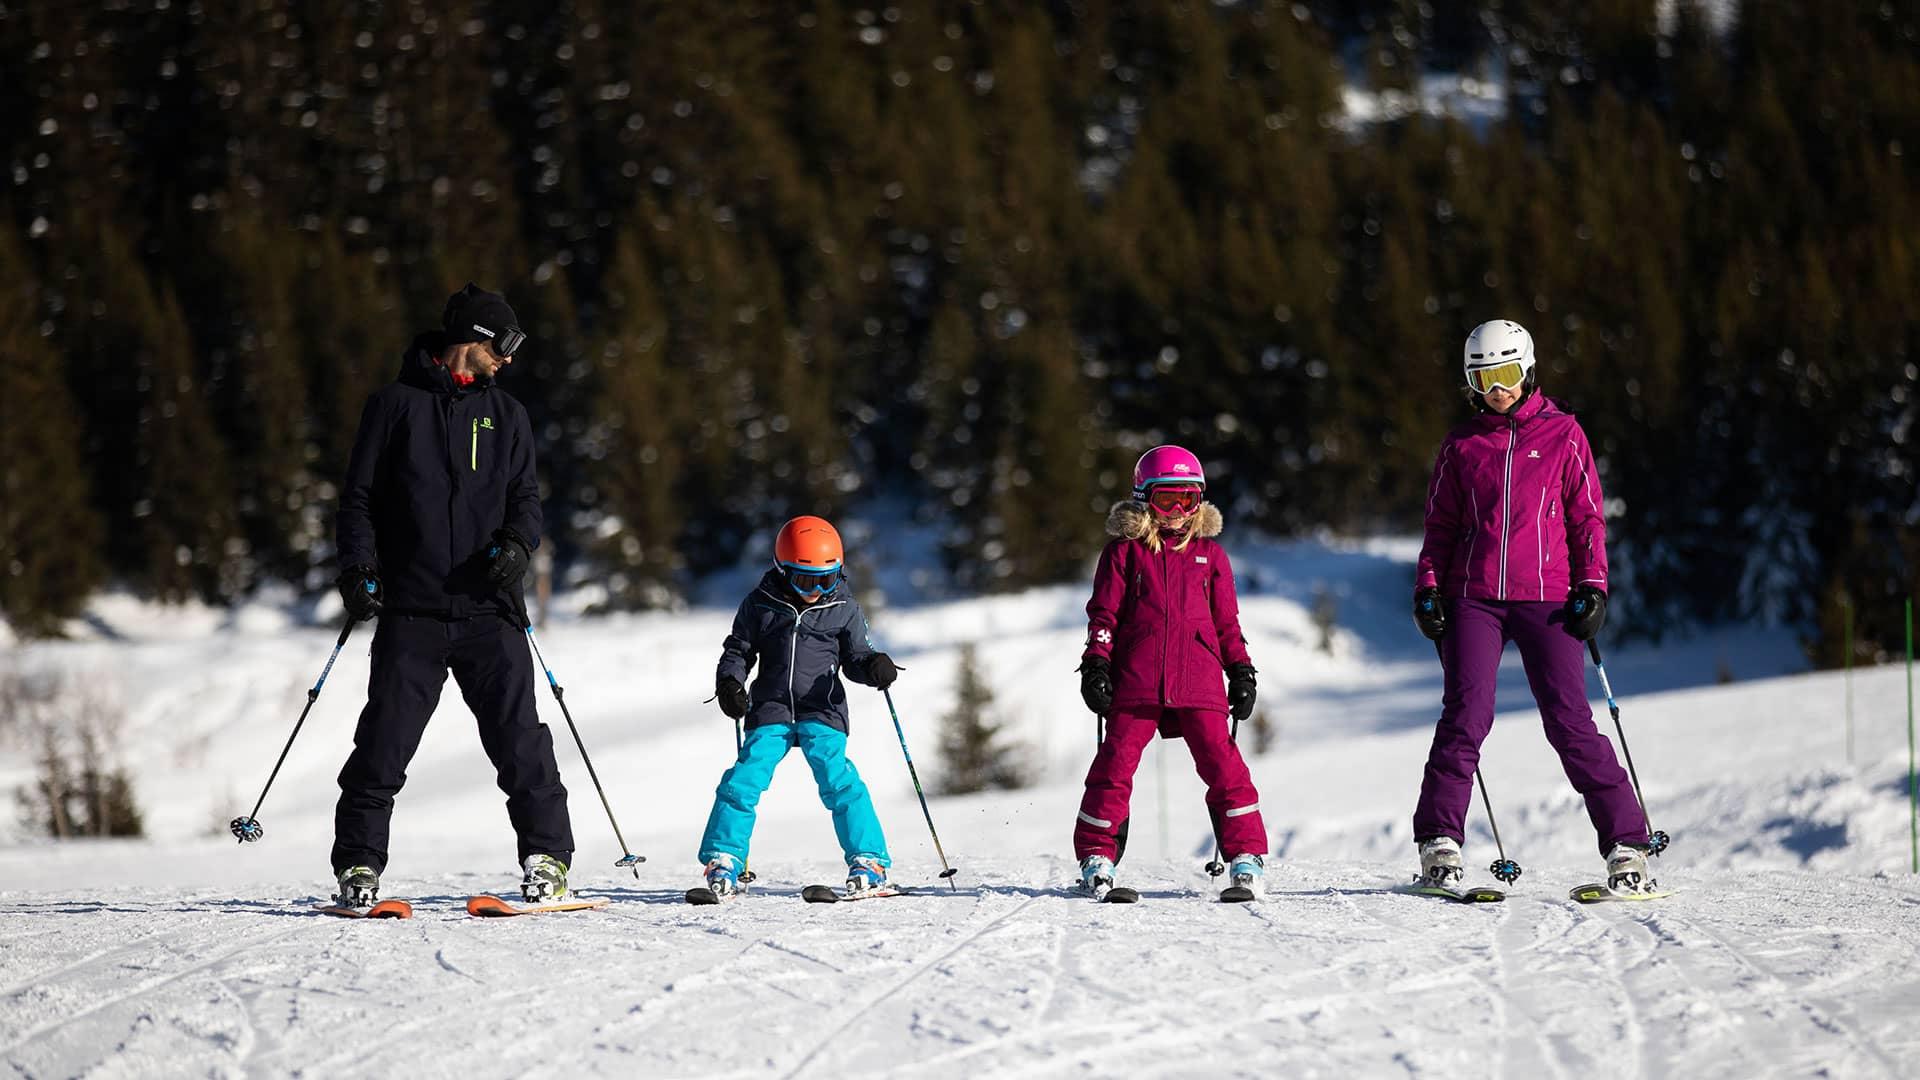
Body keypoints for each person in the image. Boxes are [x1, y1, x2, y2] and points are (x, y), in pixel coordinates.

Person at [330, 283, 574, 908]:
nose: (511, 360)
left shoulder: (509, 415)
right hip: (412, 611)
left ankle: (546, 860)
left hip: (489, 611)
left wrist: (518, 546)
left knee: (522, 744)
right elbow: (357, 500)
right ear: (475, 338)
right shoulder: (392, 406)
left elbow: (526, 500)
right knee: (383, 744)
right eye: (505, 345)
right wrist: (358, 569)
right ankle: (359, 869)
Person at [1410, 318, 1655, 895]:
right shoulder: (1463, 444)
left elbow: (1586, 519)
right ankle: (1439, 842)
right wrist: (1428, 588)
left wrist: (1593, 586)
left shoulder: (1566, 434)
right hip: (1474, 598)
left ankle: (1627, 844)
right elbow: (1440, 526)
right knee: (1466, 714)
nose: (1497, 388)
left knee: (1569, 721)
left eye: (1506, 373)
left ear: (1527, 369)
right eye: (1483, 376)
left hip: (1549, 597)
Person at [1074, 446, 1268, 898]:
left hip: (1199, 677)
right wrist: (1096, 663)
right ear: (1144, 499)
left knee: (1224, 766)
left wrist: (1241, 669)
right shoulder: (1124, 554)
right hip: (1137, 678)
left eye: (1188, 500)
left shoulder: (1211, 557)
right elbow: (1103, 617)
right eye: (1167, 500)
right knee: (1115, 763)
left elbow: (1227, 623)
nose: (1178, 513)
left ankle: (1246, 857)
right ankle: (1097, 857)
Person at [699, 515, 902, 898]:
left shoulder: (843, 606)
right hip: (770, 708)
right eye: (806, 580)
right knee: (743, 780)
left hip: (821, 709)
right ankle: (724, 857)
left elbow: (857, 656)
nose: (816, 590)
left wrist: (873, 667)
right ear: (781, 568)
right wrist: (729, 682)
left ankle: (870, 860)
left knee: (839, 780)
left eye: (827, 579)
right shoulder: (761, 604)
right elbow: (738, 650)